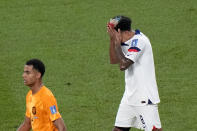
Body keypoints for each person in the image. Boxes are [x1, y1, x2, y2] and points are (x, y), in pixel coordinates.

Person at [107, 16, 162, 131]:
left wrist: (117, 44)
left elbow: (123, 65)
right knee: (118, 129)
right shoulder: (124, 40)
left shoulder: (140, 41)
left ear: (121, 32)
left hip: (144, 98)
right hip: (129, 97)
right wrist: (112, 40)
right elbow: (113, 60)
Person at [17, 59, 67, 131]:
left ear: (38, 75)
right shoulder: (29, 95)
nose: (23, 75)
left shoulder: (46, 96)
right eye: (24, 72)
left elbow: (61, 126)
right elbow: (27, 124)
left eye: (28, 73)